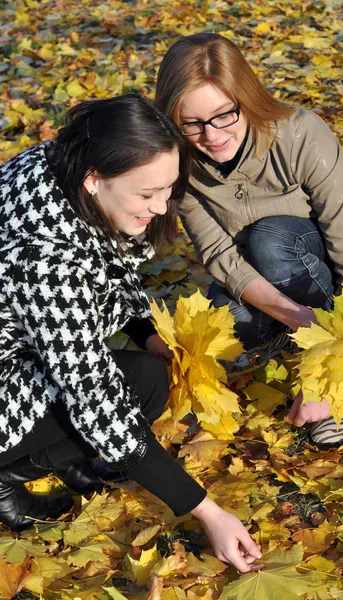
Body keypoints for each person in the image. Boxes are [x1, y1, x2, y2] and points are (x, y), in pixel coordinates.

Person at [0, 94, 262, 573]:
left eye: (168, 189)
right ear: (95, 179)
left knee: (147, 374)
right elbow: (96, 400)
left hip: (16, 352)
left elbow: (106, 262)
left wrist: (146, 332)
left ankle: (52, 458)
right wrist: (205, 510)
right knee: (125, 395)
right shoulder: (48, 261)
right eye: (147, 195)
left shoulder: (58, 162)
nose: (162, 207)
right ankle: (4, 474)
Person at [155, 33, 343, 449]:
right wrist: (296, 318)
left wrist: (332, 364)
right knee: (230, 322)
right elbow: (219, 254)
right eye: (191, 123)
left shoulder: (300, 134)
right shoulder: (180, 161)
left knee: (272, 239)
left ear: (245, 98)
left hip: (340, 247)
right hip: (260, 265)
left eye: (223, 115)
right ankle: (296, 330)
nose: (211, 136)